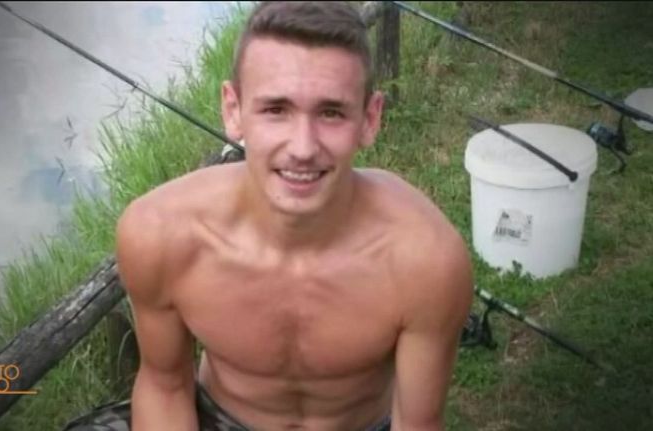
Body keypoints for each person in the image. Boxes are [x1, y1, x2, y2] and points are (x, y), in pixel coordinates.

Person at [114, 2, 473, 430]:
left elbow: (418, 423)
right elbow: (165, 387)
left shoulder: (427, 261)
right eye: (276, 110)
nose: (303, 147)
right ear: (233, 110)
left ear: (370, 118)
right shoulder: (159, 235)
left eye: (331, 112)